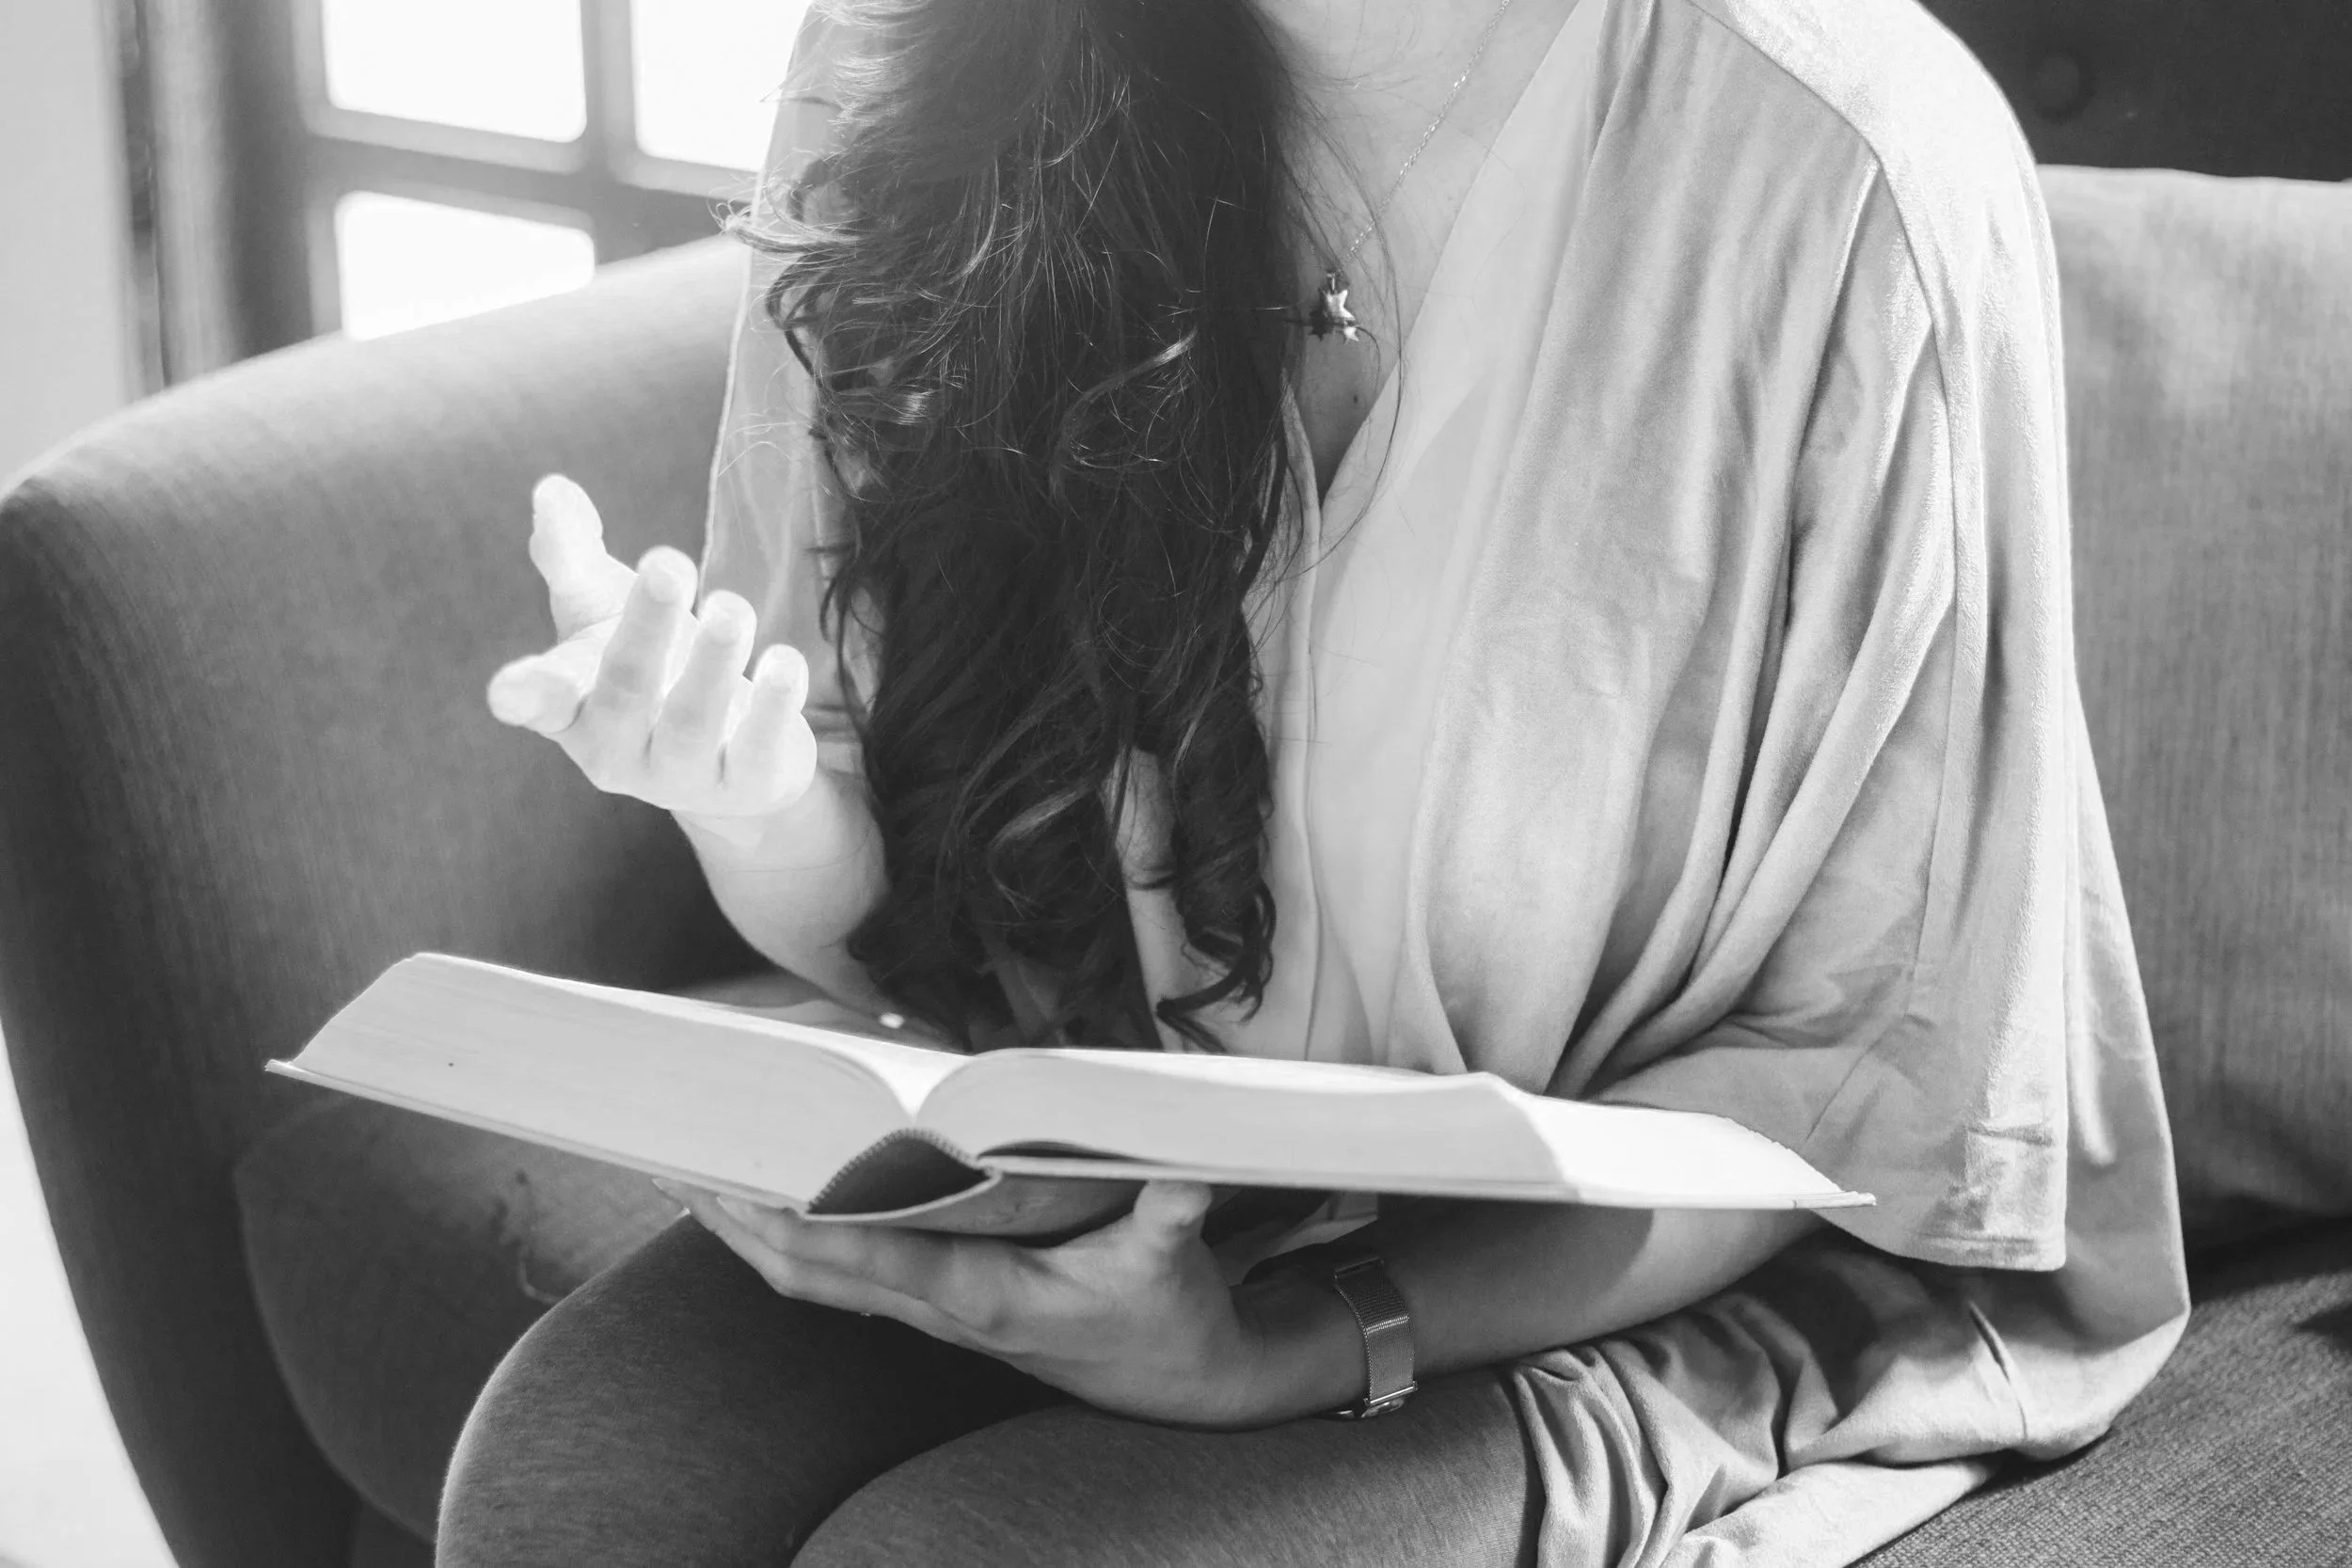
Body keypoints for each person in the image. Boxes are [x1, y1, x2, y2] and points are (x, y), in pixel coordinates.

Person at [449, 0, 2190, 1560]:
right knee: (566, 1483)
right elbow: (926, 922)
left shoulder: (1848, 171)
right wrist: (746, 801)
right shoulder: (907, 60)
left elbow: (1857, 1092)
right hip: (1095, 1179)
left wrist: (1285, 1346)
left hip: (1635, 1273)